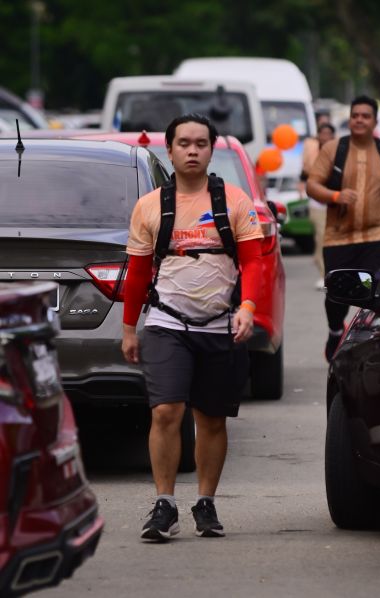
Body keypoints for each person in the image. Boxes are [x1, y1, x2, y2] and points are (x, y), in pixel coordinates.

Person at [122, 113, 263, 541]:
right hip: (166, 323)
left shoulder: (235, 201)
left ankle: (206, 502)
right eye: (183, 143)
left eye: (201, 143)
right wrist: (129, 329)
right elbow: (138, 273)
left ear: (211, 150)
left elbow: (254, 261)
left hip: (221, 325)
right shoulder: (149, 206)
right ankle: (164, 504)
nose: (192, 151)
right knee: (166, 411)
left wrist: (248, 307)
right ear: (169, 150)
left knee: (212, 418)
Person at [306, 95, 380, 362]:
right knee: (337, 296)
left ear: (375, 121)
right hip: (339, 237)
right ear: (349, 119)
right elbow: (312, 185)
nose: (359, 120)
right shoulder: (333, 149)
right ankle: (336, 330)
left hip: (378, 235)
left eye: (365, 116)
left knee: (378, 291)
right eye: (355, 115)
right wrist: (335, 196)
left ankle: (373, 344)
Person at [300, 123, 336, 290]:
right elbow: (304, 174)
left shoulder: (340, 152)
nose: (326, 137)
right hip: (318, 204)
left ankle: (333, 274)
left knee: (333, 240)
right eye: (323, 133)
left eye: (329, 133)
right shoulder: (312, 152)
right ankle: (324, 275)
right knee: (321, 239)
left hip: (335, 204)